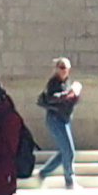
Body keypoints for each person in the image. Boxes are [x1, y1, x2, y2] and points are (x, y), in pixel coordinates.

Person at [37, 59, 83, 187]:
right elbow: (51, 98)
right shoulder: (53, 83)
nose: (63, 71)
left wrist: (75, 95)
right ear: (56, 68)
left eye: (65, 68)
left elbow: (70, 101)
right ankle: (69, 180)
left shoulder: (66, 82)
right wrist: (67, 94)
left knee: (65, 151)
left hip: (64, 118)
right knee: (68, 151)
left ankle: (43, 173)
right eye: (61, 67)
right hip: (55, 118)